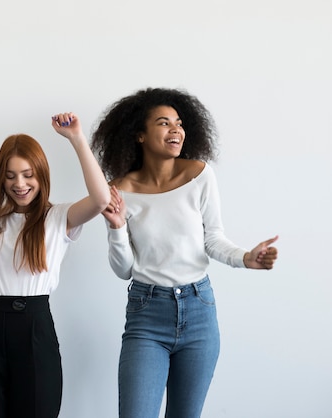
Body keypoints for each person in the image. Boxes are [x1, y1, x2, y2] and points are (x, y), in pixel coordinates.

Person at [92, 87, 279, 418]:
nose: (175, 130)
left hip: (199, 312)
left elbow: (213, 239)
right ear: (138, 135)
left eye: (179, 123)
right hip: (146, 314)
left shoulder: (200, 174)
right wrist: (117, 227)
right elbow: (124, 270)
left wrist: (245, 258)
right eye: (163, 123)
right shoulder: (122, 191)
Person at [0, 114, 111, 418]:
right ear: (0, 178)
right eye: (10, 176)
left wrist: (76, 138)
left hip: (34, 327)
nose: (19, 184)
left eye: (27, 174)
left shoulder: (60, 217)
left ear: (41, 175)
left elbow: (101, 199)